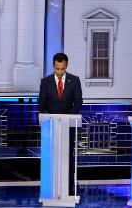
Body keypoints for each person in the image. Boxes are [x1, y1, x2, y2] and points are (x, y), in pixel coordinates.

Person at [39, 52, 83, 196]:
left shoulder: (74, 80)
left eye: (62, 69)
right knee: (50, 156)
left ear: (66, 66)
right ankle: (50, 189)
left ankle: (69, 189)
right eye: (57, 69)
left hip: (68, 126)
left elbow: (78, 102)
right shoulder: (45, 82)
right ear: (53, 66)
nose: (59, 72)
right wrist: (49, 118)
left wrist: (67, 118)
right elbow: (42, 104)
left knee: (68, 157)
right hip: (50, 127)